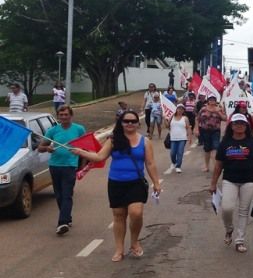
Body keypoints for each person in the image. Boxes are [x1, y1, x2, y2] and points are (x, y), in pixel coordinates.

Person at [71, 110, 161, 262]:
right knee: (119, 216)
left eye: (133, 121)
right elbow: (100, 156)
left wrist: (156, 182)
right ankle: (119, 249)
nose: (130, 124)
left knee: (136, 213)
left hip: (136, 183)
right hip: (116, 182)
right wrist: (81, 152)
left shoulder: (145, 142)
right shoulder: (113, 140)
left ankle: (134, 242)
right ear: (121, 123)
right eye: (126, 121)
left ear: (138, 123)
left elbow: (150, 163)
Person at [209, 113, 253, 254]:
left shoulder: (252, 142)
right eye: (236, 124)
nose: (239, 126)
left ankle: (240, 240)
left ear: (246, 126)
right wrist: (213, 183)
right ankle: (229, 229)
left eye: (242, 123)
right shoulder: (225, 143)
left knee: (243, 211)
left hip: (249, 180)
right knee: (227, 208)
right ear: (231, 126)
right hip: (230, 179)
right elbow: (218, 165)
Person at [38, 106, 86, 235]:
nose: (64, 117)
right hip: (55, 166)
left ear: (71, 115)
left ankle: (62, 222)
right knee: (59, 195)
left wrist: (83, 165)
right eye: (61, 115)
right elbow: (40, 147)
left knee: (67, 194)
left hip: (70, 166)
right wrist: (47, 148)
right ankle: (67, 217)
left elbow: (85, 146)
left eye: (66, 114)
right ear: (58, 116)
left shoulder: (79, 129)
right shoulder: (52, 131)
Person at [197, 95, 226, 173]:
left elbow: (225, 118)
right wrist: (196, 129)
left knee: (215, 147)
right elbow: (198, 118)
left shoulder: (219, 109)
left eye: (213, 100)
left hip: (215, 131)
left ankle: (216, 167)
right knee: (207, 149)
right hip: (205, 131)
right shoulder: (203, 109)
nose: (212, 101)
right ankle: (207, 166)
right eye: (210, 100)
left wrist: (218, 112)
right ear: (208, 101)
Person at [166, 104, 191, 174]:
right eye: (179, 109)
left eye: (182, 109)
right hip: (173, 138)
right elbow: (167, 126)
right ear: (176, 109)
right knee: (173, 153)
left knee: (180, 152)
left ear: (183, 110)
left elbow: (188, 127)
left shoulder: (185, 118)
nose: (180, 110)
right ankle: (174, 163)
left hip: (182, 138)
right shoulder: (172, 117)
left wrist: (189, 137)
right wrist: (164, 119)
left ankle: (178, 166)